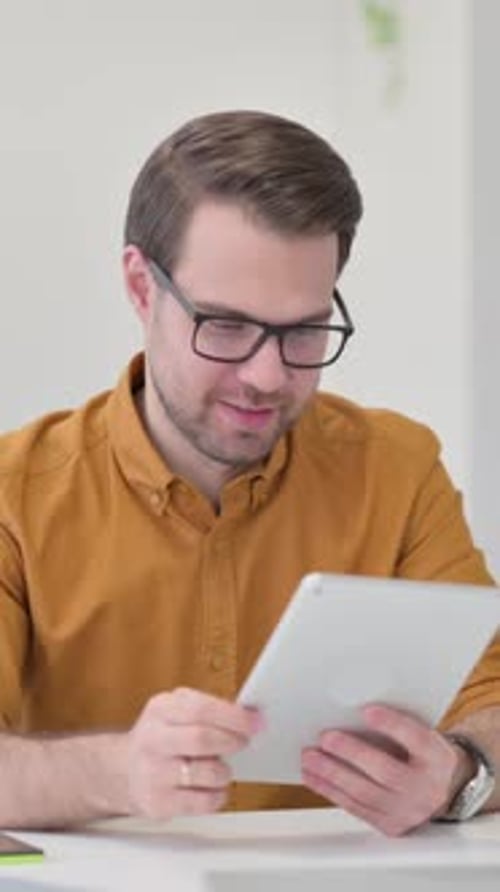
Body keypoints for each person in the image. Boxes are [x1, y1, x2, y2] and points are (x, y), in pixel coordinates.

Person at [0, 110, 499, 837]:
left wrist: (458, 774)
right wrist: (118, 771)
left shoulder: (397, 468)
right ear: (142, 288)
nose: (266, 376)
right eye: (226, 325)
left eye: (303, 330)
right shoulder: (17, 493)